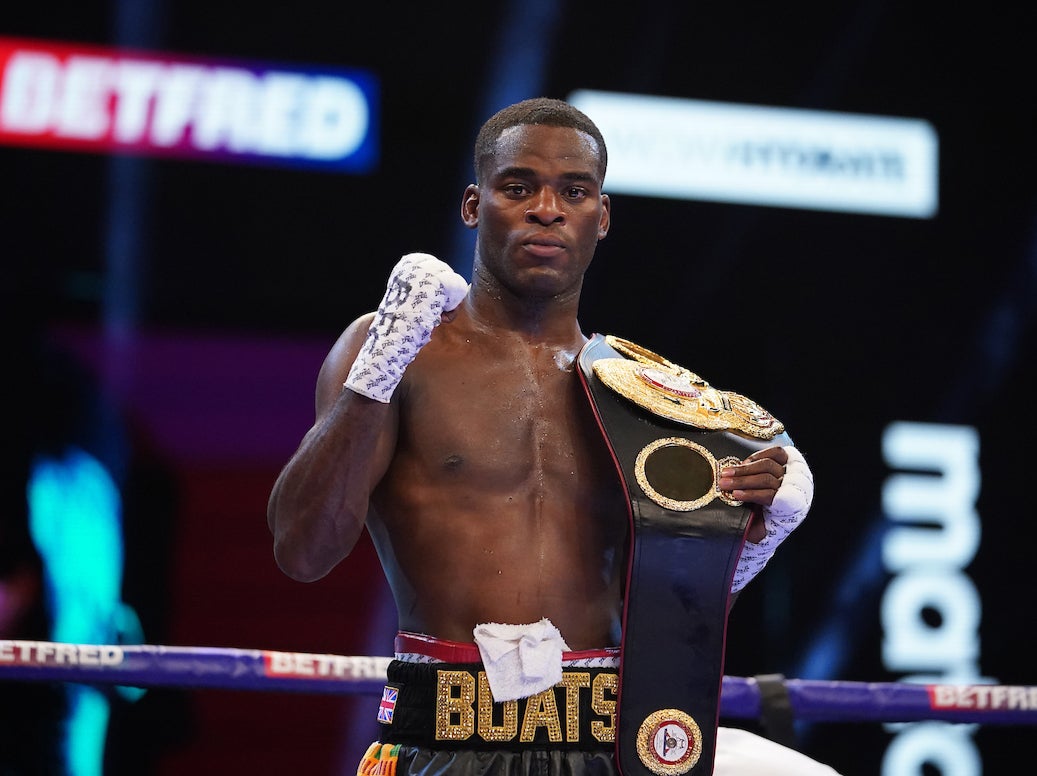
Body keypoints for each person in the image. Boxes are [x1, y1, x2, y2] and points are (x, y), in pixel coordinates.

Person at [267, 97, 839, 775]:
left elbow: (668, 624)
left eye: (573, 191)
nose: (546, 208)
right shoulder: (398, 346)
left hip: (608, 743)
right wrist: (378, 368)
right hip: (445, 740)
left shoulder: (641, 395)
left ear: (601, 217)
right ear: (474, 206)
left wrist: (751, 533)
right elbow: (303, 550)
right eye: (518, 187)